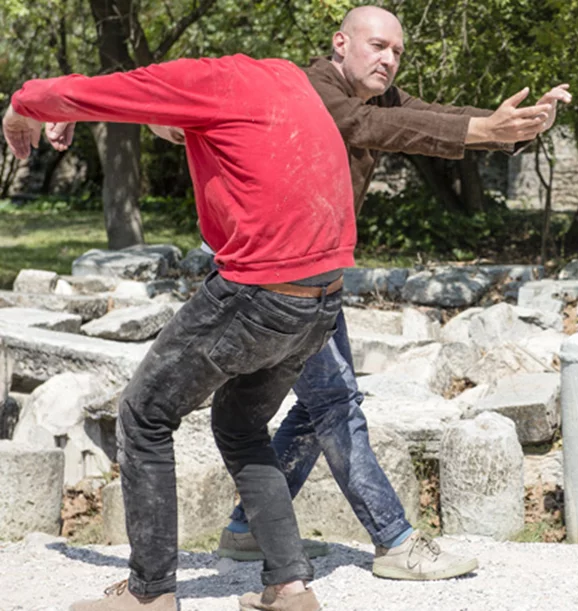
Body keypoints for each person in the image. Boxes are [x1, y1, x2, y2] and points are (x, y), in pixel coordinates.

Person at [208, 5, 571, 581]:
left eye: (397, 52)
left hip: (311, 273)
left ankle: (247, 529)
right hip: (266, 276)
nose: (389, 59)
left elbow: (429, 117)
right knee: (334, 401)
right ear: (340, 43)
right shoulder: (314, 88)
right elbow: (364, 128)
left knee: (321, 402)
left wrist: (511, 128)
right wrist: (484, 131)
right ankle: (395, 541)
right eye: (378, 46)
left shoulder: (377, 95)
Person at [4, 54, 356, 611]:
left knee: (144, 413)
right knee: (241, 425)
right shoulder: (283, 80)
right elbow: (173, 121)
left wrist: (26, 104)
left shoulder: (205, 80)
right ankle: (290, 588)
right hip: (323, 299)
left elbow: (108, 91)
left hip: (258, 292)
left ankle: (149, 596)